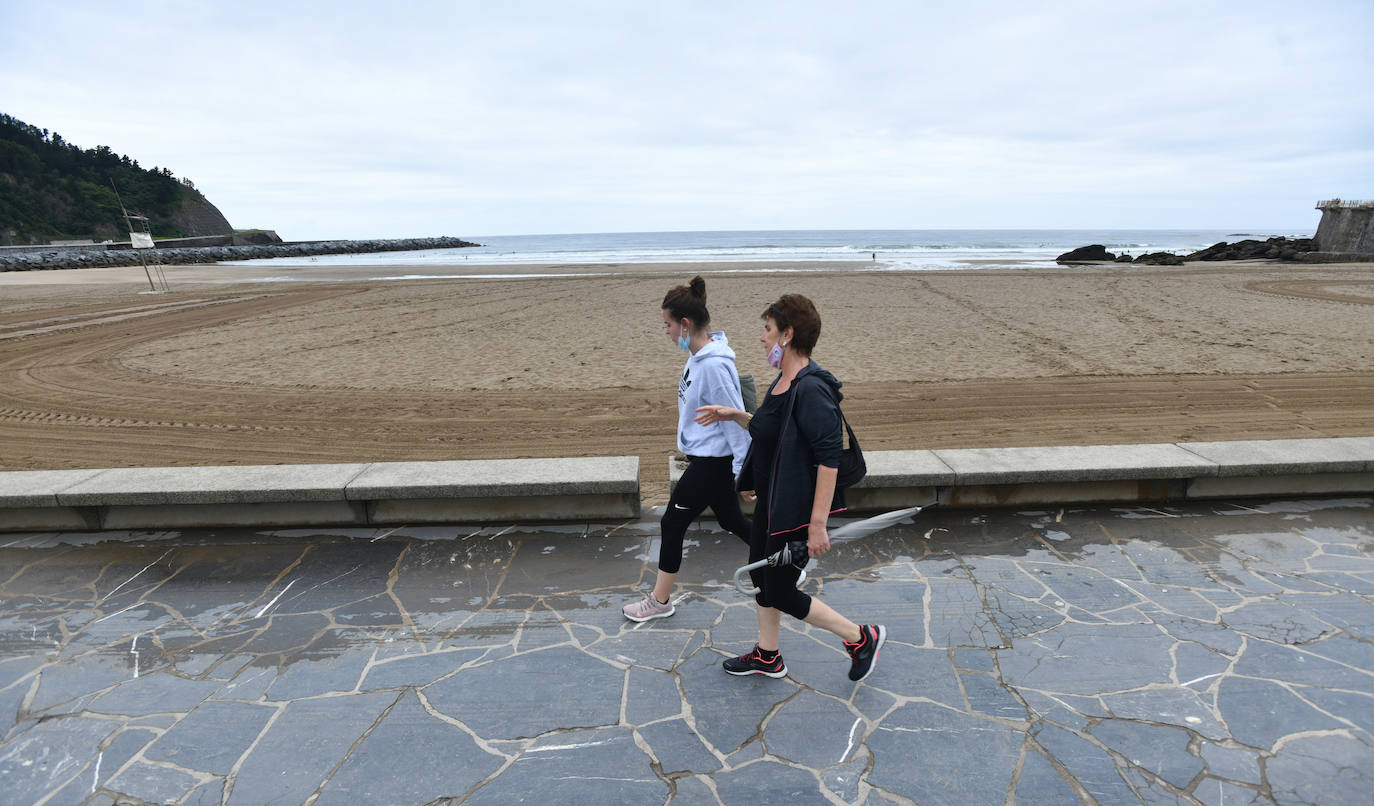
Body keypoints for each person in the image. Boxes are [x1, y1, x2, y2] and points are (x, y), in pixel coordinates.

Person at [695, 294, 885, 682]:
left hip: (795, 512)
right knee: (761, 579)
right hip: (773, 503)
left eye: (767, 329)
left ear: (788, 334)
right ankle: (768, 656)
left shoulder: (812, 389)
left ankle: (861, 637)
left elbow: (829, 459)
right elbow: (770, 430)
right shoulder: (783, 381)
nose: (762, 337)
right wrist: (734, 415)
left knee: (781, 591)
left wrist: (817, 525)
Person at [622, 277, 753, 622]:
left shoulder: (713, 365)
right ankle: (784, 563)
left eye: (667, 324)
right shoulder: (698, 357)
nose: (665, 332)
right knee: (731, 519)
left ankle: (659, 601)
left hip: (712, 462)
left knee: (672, 523)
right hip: (707, 457)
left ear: (684, 324)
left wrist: (745, 471)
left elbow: (735, 419)